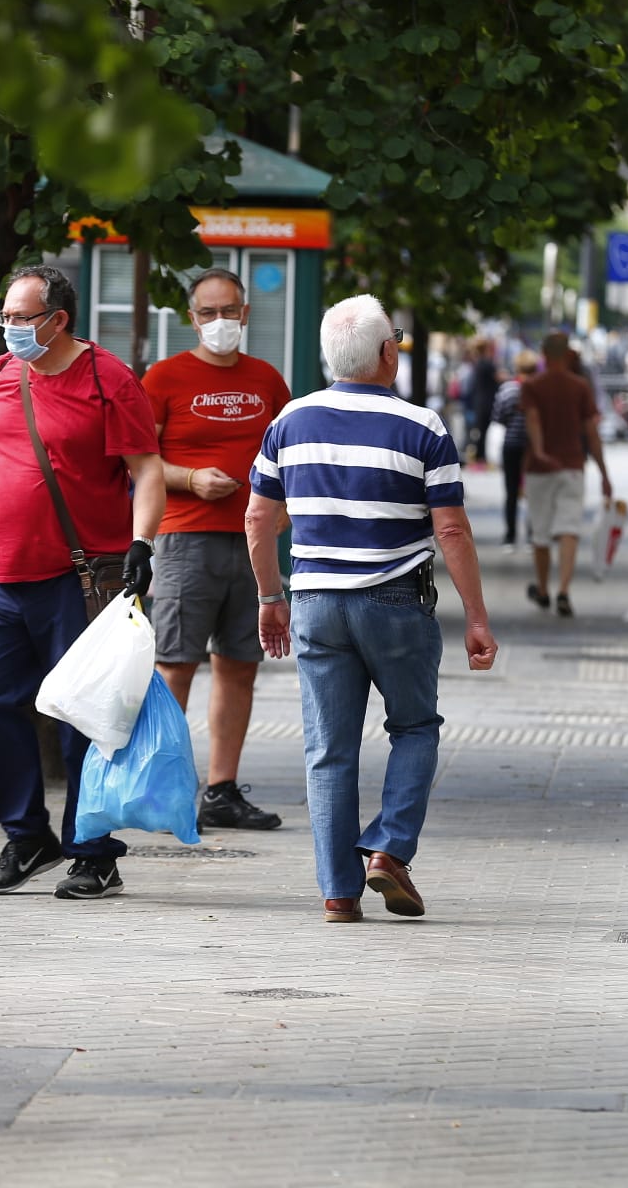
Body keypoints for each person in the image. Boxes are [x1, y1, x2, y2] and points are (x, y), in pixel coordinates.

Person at [245, 294, 499, 923]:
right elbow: (453, 531)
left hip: (314, 604)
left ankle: (338, 893)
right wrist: (476, 617)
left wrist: (271, 596)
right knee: (414, 728)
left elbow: (258, 518)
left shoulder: (289, 422)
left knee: (329, 749)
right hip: (395, 603)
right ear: (388, 353)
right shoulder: (423, 427)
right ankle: (387, 849)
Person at [0, 265, 165, 900]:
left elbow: (147, 470)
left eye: (22, 318)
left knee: (84, 718)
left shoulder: (108, 379)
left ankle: (94, 851)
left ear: (58, 319)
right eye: (4, 317)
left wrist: (143, 543)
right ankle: (27, 836)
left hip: (78, 578)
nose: (9, 329)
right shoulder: (3, 375)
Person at [142, 268, 292, 832]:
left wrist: (288, 510)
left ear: (246, 314)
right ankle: (160, 788)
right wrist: (188, 478)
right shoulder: (164, 377)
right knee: (175, 664)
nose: (220, 322)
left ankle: (221, 789)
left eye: (229, 311)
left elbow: (290, 453)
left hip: (254, 543)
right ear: (191, 318)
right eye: (208, 313)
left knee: (239, 665)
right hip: (186, 537)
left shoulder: (266, 379)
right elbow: (138, 460)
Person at [521, 333, 613, 618]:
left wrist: (539, 451)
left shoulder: (533, 386)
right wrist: (604, 474)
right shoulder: (580, 387)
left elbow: (533, 420)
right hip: (573, 466)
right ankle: (563, 590)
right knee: (569, 529)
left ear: (545, 355)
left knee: (541, 532)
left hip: (540, 469)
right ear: (567, 355)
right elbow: (592, 433)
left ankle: (543, 589)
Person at [490, 348, 540, 550]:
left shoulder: (507, 389)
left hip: (511, 444)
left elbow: (498, 417)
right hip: (534, 447)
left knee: (511, 492)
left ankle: (510, 537)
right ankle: (531, 536)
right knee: (533, 491)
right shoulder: (539, 389)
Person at [463, 339, 500, 464]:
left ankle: (479, 456)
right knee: (484, 430)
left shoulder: (478, 364)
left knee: (480, 430)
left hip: (479, 401)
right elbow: (497, 378)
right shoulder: (487, 364)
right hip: (488, 402)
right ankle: (481, 457)